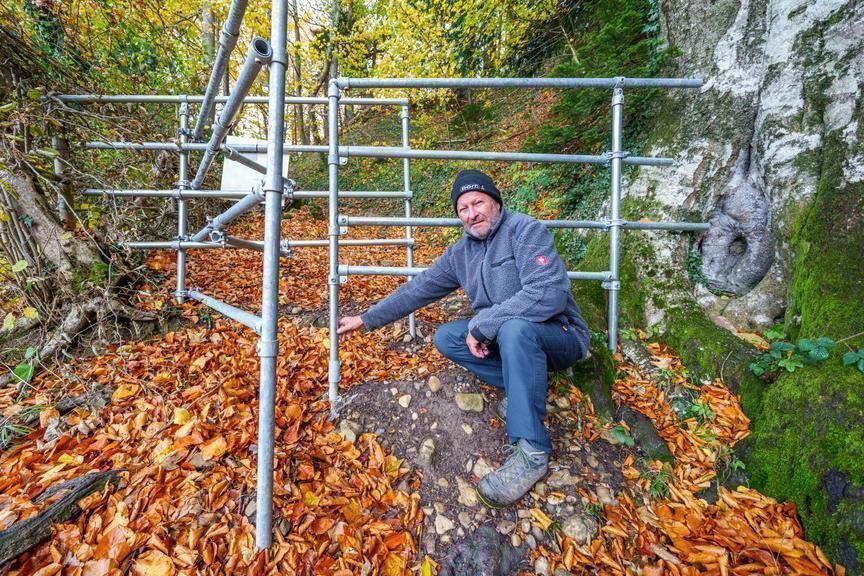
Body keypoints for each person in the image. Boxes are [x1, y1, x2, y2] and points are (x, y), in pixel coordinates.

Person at [337, 169, 590, 506]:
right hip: (513, 340)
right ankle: (522, 390)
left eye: (478, 203)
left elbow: (548, 294)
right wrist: (366, 319)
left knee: (514, 328)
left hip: (559, 335)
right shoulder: (461, 253)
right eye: (463, 209)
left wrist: (483, 325)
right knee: (447, 337)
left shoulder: (525, 230)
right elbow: (418, 289)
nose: (472, 214)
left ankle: (532, 452)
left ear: (495, 202)